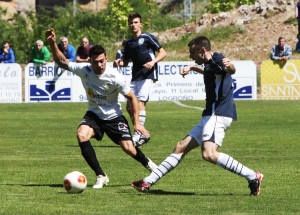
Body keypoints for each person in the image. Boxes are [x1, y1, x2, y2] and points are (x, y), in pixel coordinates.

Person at [130, 36, 263, 196]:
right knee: (180, 147)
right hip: (210, 115)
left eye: (192, 53)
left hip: (218, 114)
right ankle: (147, 182)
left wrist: (231, 65)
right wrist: (193, 67)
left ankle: (252, 176)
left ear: (202, 50)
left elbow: (229, 69)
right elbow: (211, 71)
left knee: (209, 154)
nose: (190, 55)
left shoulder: (217, 58)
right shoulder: (208, 64)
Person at [45, 28, 158, 189]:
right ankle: (101, 175)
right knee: (81, 135)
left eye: (102, 61)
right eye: (95, 61)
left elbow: (132, 97)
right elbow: (62, 61)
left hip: (114, 116)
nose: (99, 65)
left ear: (106, 58)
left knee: (128, 148)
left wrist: (137, 124)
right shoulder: (85, 70)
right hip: (94, 115)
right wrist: (52, 44)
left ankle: (150, 165)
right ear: (89, 61)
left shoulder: (115, 77)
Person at [114, 12, 167, 147]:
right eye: (131, 23)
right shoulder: (129, 43)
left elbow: (163, 52)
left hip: (148, 74)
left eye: (136, 22)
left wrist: (153, 62)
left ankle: (138, 136)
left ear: (141, 24)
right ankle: (140, 132)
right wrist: (119, 62)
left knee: (140, 102)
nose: (133, 25)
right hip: (135, 76)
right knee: (130, 106)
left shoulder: (148, 37)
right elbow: (125, 62)